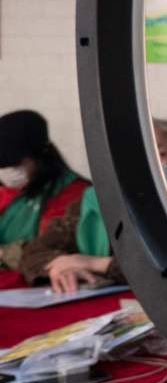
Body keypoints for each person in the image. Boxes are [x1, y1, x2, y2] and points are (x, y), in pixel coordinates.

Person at [18, 119, 167, 292]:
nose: (149, 164)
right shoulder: (93, 200)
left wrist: (94, 263)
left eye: (161, 154)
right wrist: (64, 268)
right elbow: (34, 253)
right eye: (136, 155)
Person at [0, 110, 90, 280]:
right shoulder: (9, 193)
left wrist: (5, 253)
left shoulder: (75, 195)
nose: (6, 172)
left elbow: (48, 251)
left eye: (14, 165)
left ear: (38, 156)